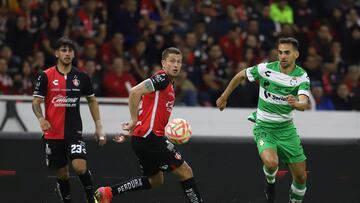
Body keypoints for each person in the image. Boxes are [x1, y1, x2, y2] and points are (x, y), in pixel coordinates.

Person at [95, 47, 203, 203]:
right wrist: (133, 120)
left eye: (179, 62)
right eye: (172, 61)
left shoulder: (168, 86)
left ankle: (108, 193)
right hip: (151, 138)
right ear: (163, 63)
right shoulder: (162, 79)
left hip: (141, 138)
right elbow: (134, 92)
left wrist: (133, 128)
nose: (176, 65)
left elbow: (145, 110)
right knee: (186, 172)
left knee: (155, 180)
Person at [216, 37, 309, 203]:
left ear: (296, 54)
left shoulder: (301, 76)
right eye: (280, 52)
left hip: (286, 130)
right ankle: (270, 181)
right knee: (272, 163)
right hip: (264, 127)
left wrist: (296, 103)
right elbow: (240, 75)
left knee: (301, 177)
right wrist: (224, 96)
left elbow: (304, 103)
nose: (282, 56)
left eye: (287, 53)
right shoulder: (265, 69)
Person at [32, 37, 106, 203]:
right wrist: (41, 118)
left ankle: (90, 197)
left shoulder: (82, 77)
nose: (67, 53)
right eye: (63, 50)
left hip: (74, 132)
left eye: (70, 50)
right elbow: (36, 102)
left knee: (80, 167)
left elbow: (92, 100)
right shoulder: (45, 76)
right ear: (57, 53)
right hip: (52, 134)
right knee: (63, 174)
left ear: (74, 54)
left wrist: (99, 126)